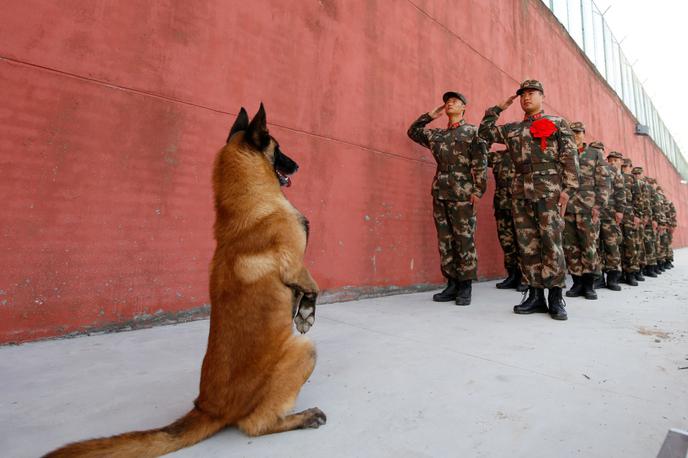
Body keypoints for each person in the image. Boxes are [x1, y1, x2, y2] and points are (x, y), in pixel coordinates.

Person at [478, 80, 579, 320]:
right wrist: (497, 108)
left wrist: (568, 190)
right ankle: (534, 296)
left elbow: (570, 157)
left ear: (542, 97)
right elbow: (484, 132)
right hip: (520, 190)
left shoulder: (556, 123)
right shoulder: (512, 129)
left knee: (551, 242)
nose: (526, 98)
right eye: (523, 95)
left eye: (532, 93)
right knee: (527, 243)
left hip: (549, 190)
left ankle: (555, 297)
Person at [407, 91, 488, 306]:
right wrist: (430, 116)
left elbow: (480, 163)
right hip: (440, 190)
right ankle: (451, 283)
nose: (449, 103)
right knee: (445, 239)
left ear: (464, 108)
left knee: (464, 238)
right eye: (447, 101)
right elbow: (413, 132)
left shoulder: (472, 132)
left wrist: (478, 190)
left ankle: (465, 285)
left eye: (455, 101)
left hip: (463, 192)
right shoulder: (438, 135)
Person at [562, 122, 609, 300]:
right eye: (572, 132)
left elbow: (604, 181)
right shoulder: (564, 153)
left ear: (583, 134)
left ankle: (589, 285)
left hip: (588, 207)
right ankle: (577, 282)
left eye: (578, 132)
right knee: (571, 247)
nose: (575, 135)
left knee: (589, 246)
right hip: (568, 207)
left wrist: (599, 205)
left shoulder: (594, 153)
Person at [488, 147, 526, 291]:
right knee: (506, 241)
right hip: (501, 204)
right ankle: (512, 275)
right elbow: (479, 156)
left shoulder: (525, 153)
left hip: (520, 206)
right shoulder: (497, 157)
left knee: (522, 242)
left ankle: (525, 277)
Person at [596, 150, 626, 291]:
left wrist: (620, 210)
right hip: (595, 212)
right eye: (611, 159)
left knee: (611, 245)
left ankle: (613, 278)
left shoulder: (614, 172)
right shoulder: (596, 168)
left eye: (615, 159)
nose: (612, 162)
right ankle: (599, 278)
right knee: (596, 246)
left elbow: (620, 191)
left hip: (610, 213)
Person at [619, 157, 642, 285]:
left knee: (630, 244)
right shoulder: (614, 175)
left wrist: (637, 215)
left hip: (628, 215)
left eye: (626, 166)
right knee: (618, 244)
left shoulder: (632, 179)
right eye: (623, 166)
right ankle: (620, 273)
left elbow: (637, 199)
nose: (624, 168)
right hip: (616, 214)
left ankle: (631, 273)